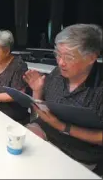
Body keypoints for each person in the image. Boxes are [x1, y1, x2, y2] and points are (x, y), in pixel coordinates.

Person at [23, 24, 103, 174]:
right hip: (49, 134)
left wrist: (63, 127)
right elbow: (41, 113)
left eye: (68, 57)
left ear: (91, 58)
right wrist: (37, 92)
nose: (60, 62)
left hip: (80, 152)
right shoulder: (57, 74)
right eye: (58, 55)